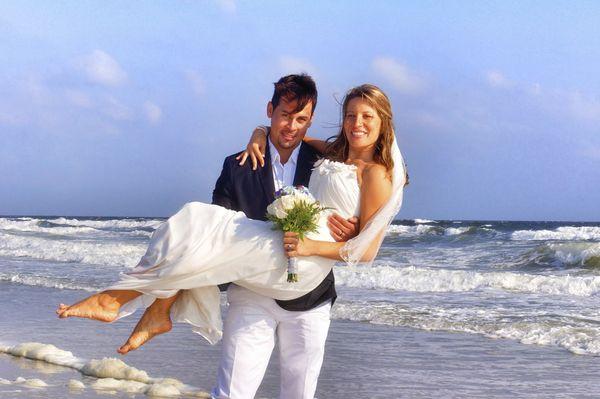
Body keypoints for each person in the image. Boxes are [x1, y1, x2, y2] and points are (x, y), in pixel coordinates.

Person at [56, 81, 407, 399]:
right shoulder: (310, 155)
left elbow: (367, 249)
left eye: (366, 116)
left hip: (309, 285)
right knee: (198, 224)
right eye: (350, 115)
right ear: (271, 112)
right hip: (254, 288)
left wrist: (316, 245)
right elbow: (218, 226)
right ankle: (149, 306)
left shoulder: (361, 168)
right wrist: (258, 134)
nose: (356, 123)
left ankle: (131, 301)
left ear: (382, 121)